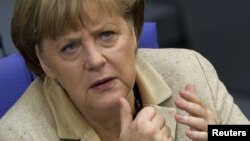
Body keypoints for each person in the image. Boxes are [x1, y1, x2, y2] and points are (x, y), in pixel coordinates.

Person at [0, 0, 249, 140]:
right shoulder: (17, 135)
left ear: (133, 32)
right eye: (70, 47)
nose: (95, 60)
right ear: (45, 62)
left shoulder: (189, 70)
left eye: (106, 35)